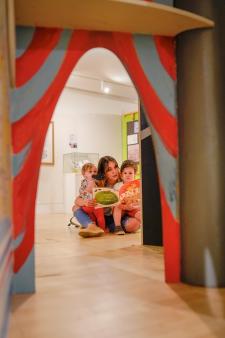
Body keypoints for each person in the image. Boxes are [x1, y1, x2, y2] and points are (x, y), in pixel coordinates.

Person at [73, 156, 141, 237]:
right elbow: (77, 200)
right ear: (103, 172)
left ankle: (105, 228)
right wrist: (85, 202)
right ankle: (91, 226)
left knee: (134, 224)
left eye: (115, 167)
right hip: (101, 217)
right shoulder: (96, 183)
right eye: (109, 170)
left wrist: (128, 206)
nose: (114, 171)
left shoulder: (124, 180)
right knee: (75, 207)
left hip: (118, 218)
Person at [113, 160, 141, 235]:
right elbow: (116, 200)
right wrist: (125, 206)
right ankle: (117, 226)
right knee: (117, 206)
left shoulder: (137, 185)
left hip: (133, 208)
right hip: (122, 207)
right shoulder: (118, 186)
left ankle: (148, 227)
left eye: (130, 173)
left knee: (140, 214)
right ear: (121, 175)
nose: (127, 175)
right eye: (125, 173)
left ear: (135, 175)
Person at [78, 162, 105, 231]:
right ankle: (93, 228)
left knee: (100, 217)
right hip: (88, 204)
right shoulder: (84, 182)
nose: (93, 173)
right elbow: (82, 193)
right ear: (84, 175)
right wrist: (88, 187)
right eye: (90, 172)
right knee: (92, 217)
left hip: (97, 204)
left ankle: (102, 229)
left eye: (95, 171)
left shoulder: (98, 181)